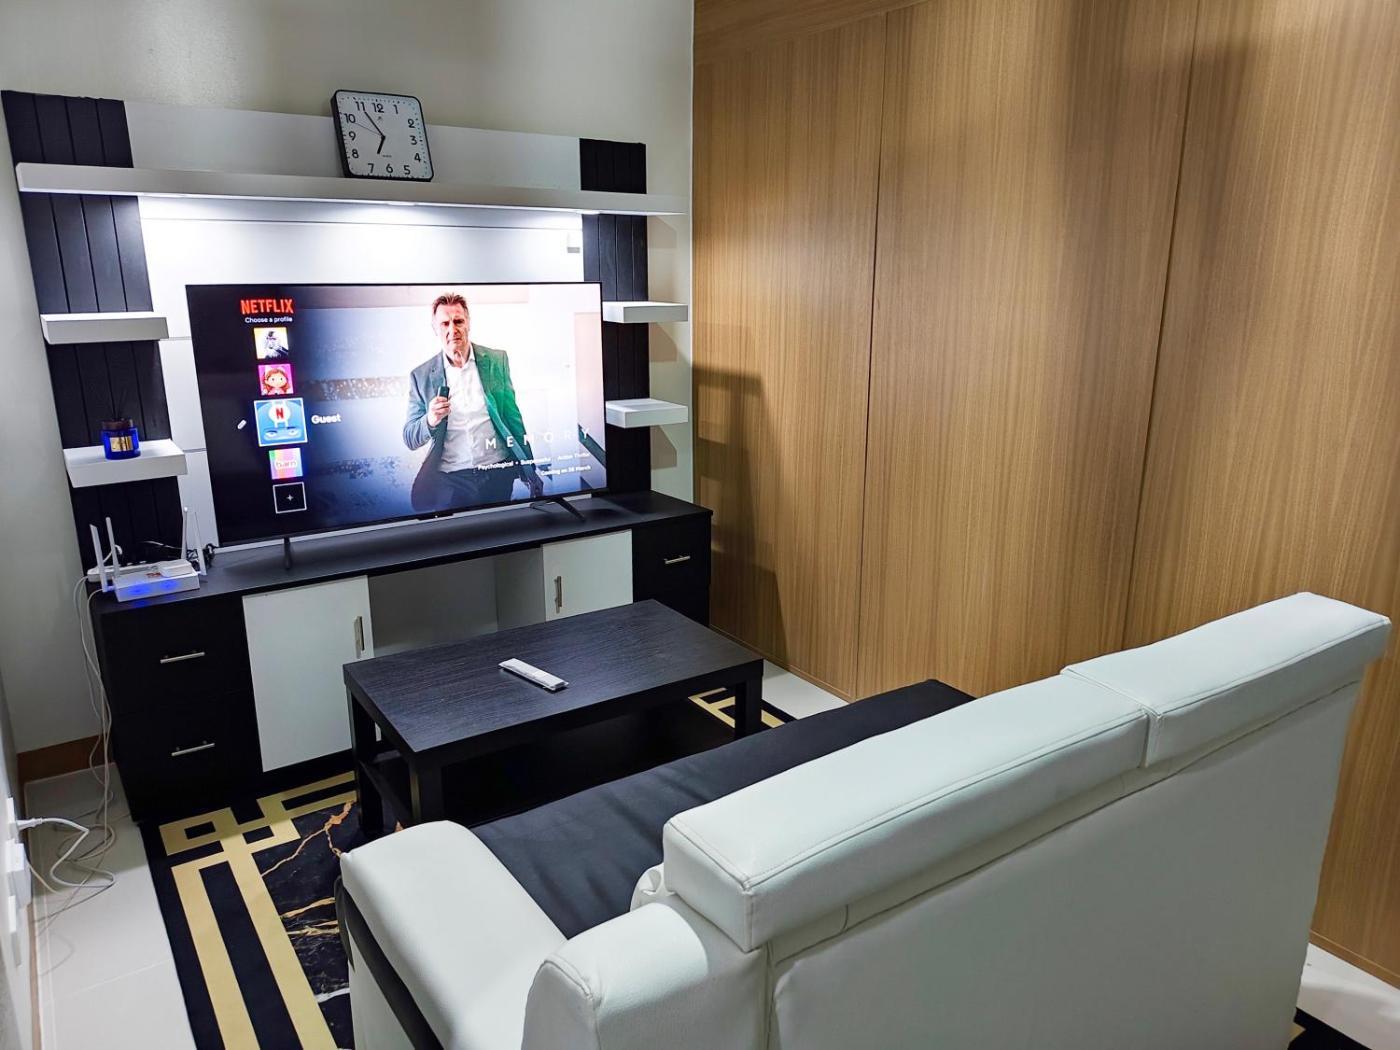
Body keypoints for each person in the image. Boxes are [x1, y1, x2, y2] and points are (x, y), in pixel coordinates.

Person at [403, 292, 544, 511]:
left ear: (468, 323)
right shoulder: (420, 376)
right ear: (435, 329)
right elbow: (409, 437)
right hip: (451, 479)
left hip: (497, 471)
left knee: (501, 528)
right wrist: (430, 420)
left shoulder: (496, 360)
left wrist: (529, 468)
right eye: (445, 323)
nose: (453, 329)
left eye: (458, 321)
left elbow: (513, 418)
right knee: (463, 531)